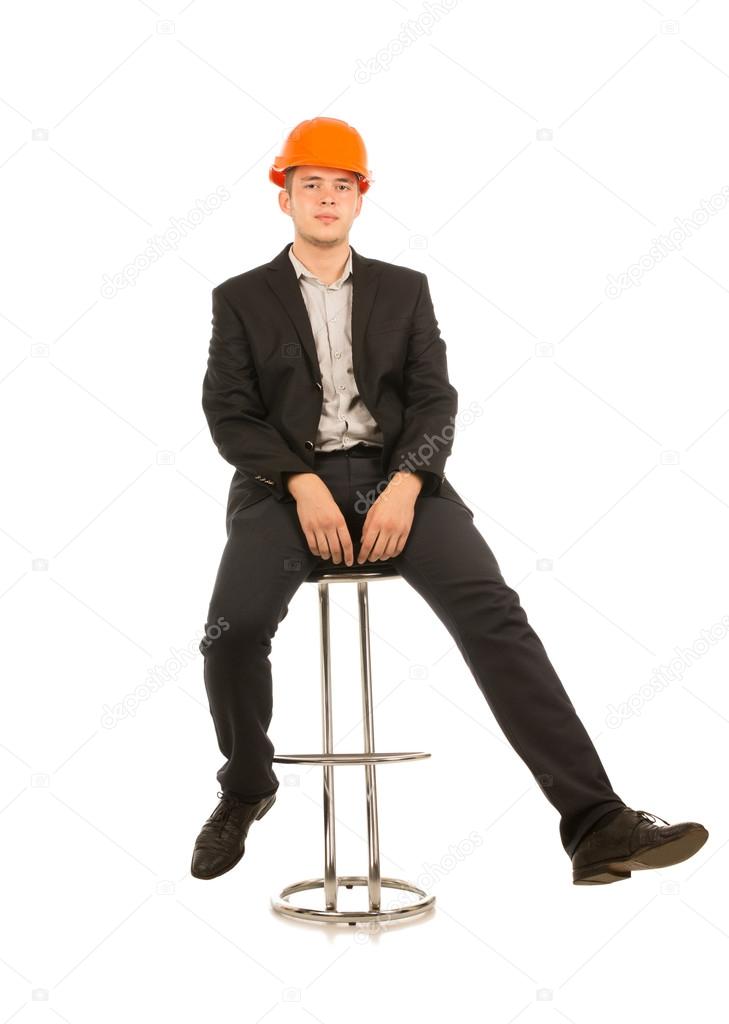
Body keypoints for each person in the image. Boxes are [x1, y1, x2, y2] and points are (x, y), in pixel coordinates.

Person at [191, 116, 708, 885]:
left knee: (494, 615)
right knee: (229, 634)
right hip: (282, 488)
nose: (326, 199)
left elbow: (435, 401)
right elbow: (229, 412)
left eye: (341, 186)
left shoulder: (404, 290)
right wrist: (299, 483)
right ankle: (246, 786)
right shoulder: (239, 298)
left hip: (400, 480)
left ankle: (595, 822)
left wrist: (406, 481)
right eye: (310, 186)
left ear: (360, 199)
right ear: (285, 197)